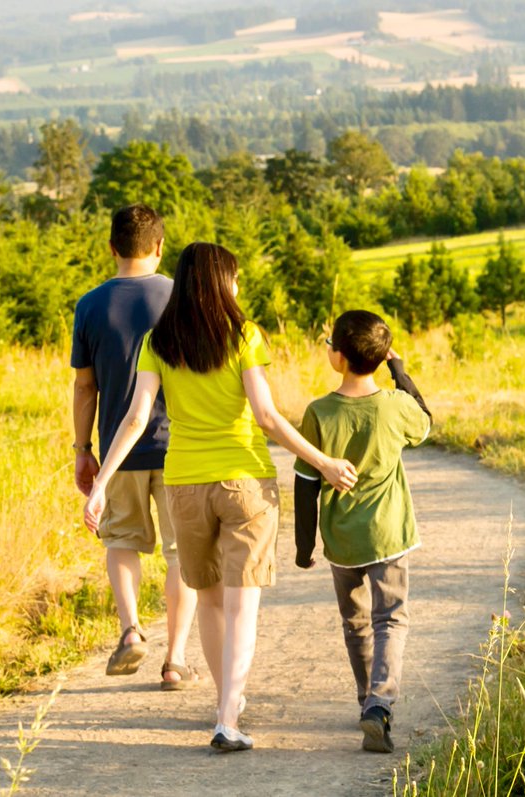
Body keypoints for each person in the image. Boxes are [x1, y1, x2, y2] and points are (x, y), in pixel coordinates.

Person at [82, 242, 358, 753]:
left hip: (184, 486)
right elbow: (268, 417)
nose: (237, 286)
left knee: (209, 599)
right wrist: (322, 462)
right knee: (242, 605)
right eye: (233, 277)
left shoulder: (158, 340)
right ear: (219, 282)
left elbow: (137, 418)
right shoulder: (244, 335)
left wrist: (101, 485)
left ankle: (223, 704)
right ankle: (228, 717)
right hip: (244, 485)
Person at [71, 204, 199, 690]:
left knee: (121, 541)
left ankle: (130, 629)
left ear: (112, 247)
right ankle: (176, 658)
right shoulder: (182, 298)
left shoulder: (90, 305)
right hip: (179, 446)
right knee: (179, 554)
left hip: (118, 450)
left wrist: (84, 448)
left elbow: (86, 388)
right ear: (161, 246)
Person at [293, 310, 431, 754]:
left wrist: (302, 545)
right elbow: (424, 418)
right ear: (378, 356)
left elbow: (305, 483)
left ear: (338, 357)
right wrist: (399, 369)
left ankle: (365, 701)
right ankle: (379, 704)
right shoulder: (395, 405)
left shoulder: (319, 412)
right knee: (390, 617)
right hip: (389, 534)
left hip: (341, 541)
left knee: (355, 624)